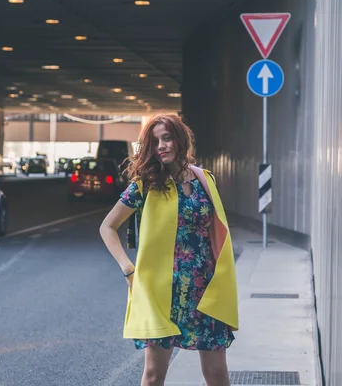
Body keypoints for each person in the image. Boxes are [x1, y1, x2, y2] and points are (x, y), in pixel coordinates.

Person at [99, 113, 238, 386]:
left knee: (217, 374)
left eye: (167, 138)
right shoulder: (145, 185)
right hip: (162, 293)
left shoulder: (205, 181)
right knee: (153, 377)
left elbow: (217, 234)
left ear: (180, 139)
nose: (161, 145)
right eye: (154, 141)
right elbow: (107, 227)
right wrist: (128, 270)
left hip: (205, 290)